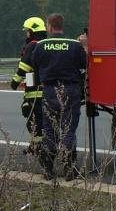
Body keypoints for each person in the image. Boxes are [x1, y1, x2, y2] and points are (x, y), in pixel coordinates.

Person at [28, 13, 86, 181]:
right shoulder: (74, 45)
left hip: (49, 91)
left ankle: (48, 169)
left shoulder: (40, 45)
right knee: (68, 130)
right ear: (62, 26)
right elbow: (85, 64)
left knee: (50, 130)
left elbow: (34, 65)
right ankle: (69, 169)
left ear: (49, 26)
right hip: (70, 90)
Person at [10, 17, 48, 156]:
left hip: (35, 92)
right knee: (44, 121)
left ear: (32, 31)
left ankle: (38, 148)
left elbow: (24, 66)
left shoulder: (32, 45)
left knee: (33, 121)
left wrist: (14, 82)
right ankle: (37, 146)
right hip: (48, 90)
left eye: (27, 31)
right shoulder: (46, 44)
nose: (26, 34)